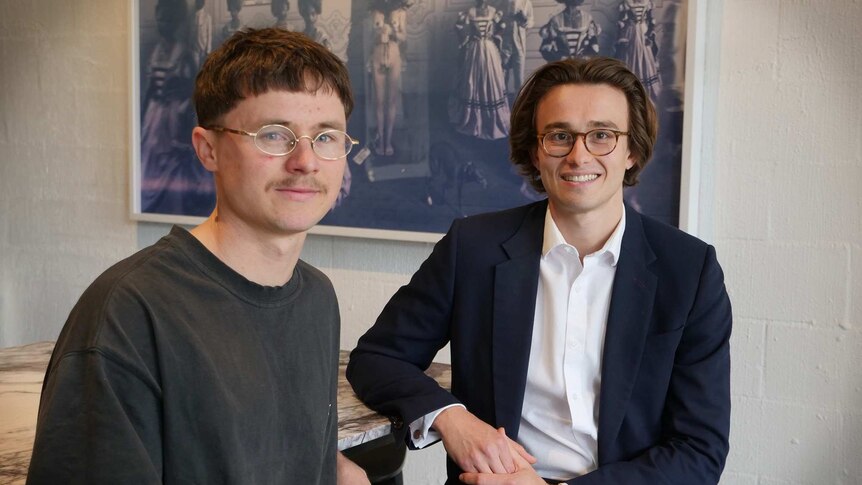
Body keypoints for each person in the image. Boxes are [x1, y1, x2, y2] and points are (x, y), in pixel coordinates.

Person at [348, 57, 732, 484]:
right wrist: (452, 419)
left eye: (602, 135)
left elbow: (699, 452)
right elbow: (378, 358)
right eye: (559, 136)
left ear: (632, 150)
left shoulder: (690, 271)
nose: (578, 155)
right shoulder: (472, 248)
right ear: (535, 150)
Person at [27, 28, 369, 485]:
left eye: (326, 137)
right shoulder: (130, 311)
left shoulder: (316, 298)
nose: (305, 161)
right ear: (208, 149)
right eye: (274, 134)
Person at [448, 0, 510, 140]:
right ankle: (474, 119)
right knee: (473, 80)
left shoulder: (494, 11)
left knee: (491, 79)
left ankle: (491, 120)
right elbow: (458, 27)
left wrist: (495, 37)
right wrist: (466, 40)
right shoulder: (470, 12)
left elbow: (502, 26)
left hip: (489, 49)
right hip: (475, 50)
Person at [368, 0, 409, 156]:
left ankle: (388, 141)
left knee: (391, 101)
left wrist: (392, 32)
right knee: (379, 101)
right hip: (378, 58)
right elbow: (371, 39)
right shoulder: (374, 12)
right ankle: (380, 139)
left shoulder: (401, 13)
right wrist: (378, 34)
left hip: (394, 57)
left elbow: (404, 37)